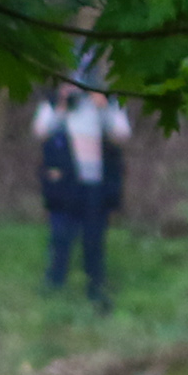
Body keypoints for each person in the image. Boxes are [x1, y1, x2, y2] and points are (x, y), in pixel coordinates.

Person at [34, 79, 131, 310]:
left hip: (97, 182)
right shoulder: (55, 103)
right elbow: (40, 131)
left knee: (94, 236)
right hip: (64, 182)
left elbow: (122, 134)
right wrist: (61, 108)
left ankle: (95, 283)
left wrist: (104, 109)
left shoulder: (109, 104)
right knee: (60, 234)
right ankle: (55, 281)